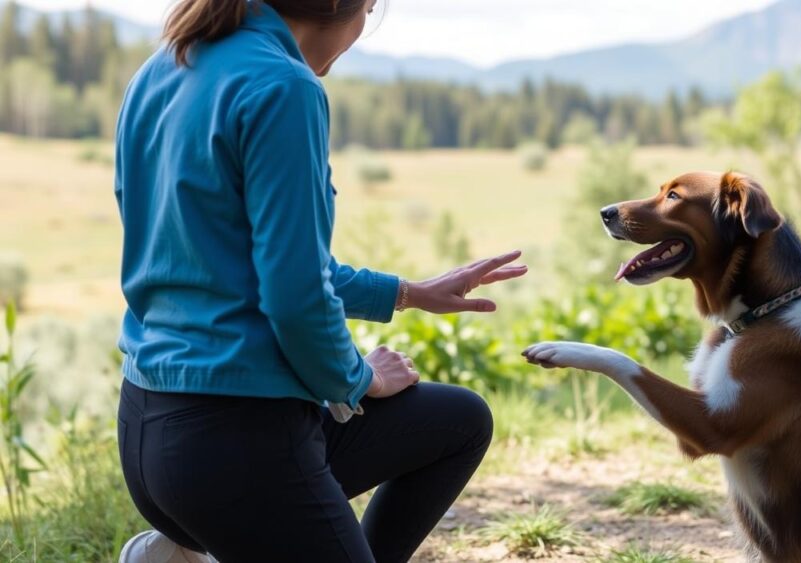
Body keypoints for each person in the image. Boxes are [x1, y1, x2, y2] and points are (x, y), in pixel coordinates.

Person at [114, 0, 527, 561]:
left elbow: (236, 259)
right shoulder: (285, 87)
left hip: (149, 437)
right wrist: (358, 379)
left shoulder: (165, 66)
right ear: (346, 8)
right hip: (237, 445)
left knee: (458, 420)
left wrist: (409, 293)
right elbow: (295, 296)